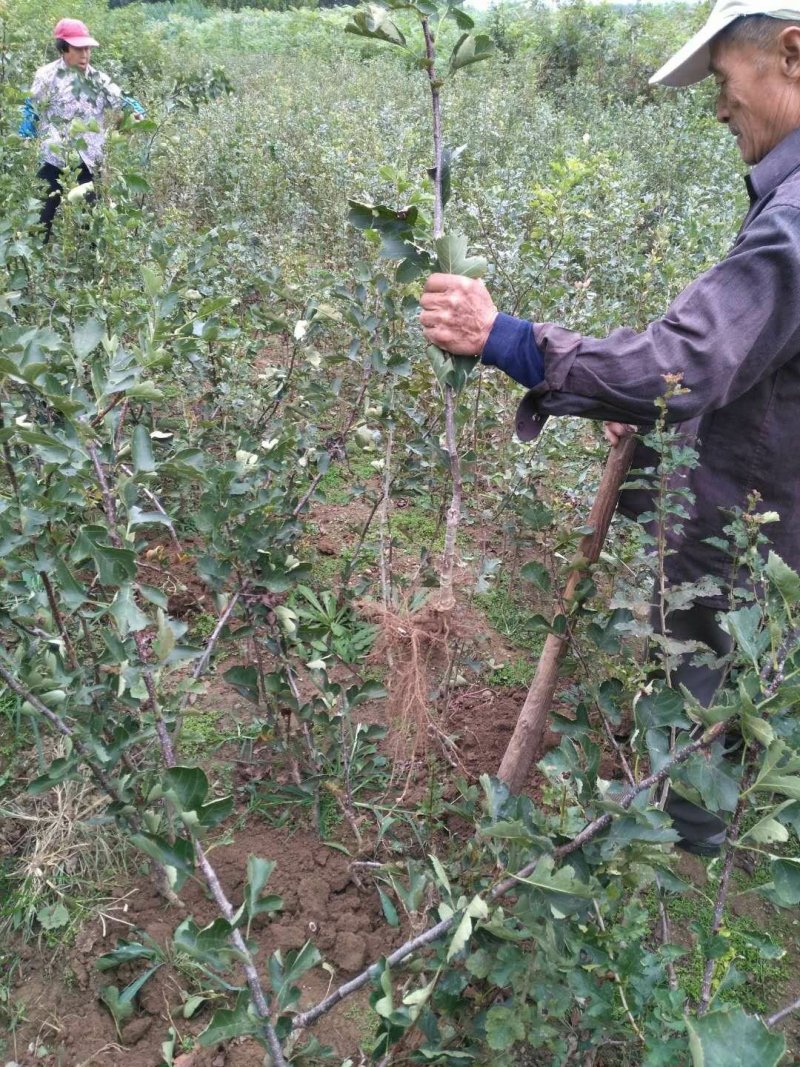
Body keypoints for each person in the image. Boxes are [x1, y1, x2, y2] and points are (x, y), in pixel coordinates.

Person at [420, 0, 800, 855]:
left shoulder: (797, 216)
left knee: (713, 678)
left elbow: (687, 361)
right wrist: (650, 407)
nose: (719, 106)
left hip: (758, 517)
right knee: (753, 673)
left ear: (792, 55)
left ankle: (666, 863)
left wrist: (511, 340)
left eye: (725, 81)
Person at [19, 18, 145, 241]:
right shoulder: (46, 76)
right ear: (63, 49)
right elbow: (32, 109)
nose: (85, 54)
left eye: (87, 48)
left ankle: (94, 271)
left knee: (93, 224)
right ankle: (37, 269)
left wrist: (134, 111)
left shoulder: (98, 80)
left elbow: (123, 101)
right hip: (53, 158)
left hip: (88, 161)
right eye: (78, 48)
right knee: (39, 222)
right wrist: (25, 133)